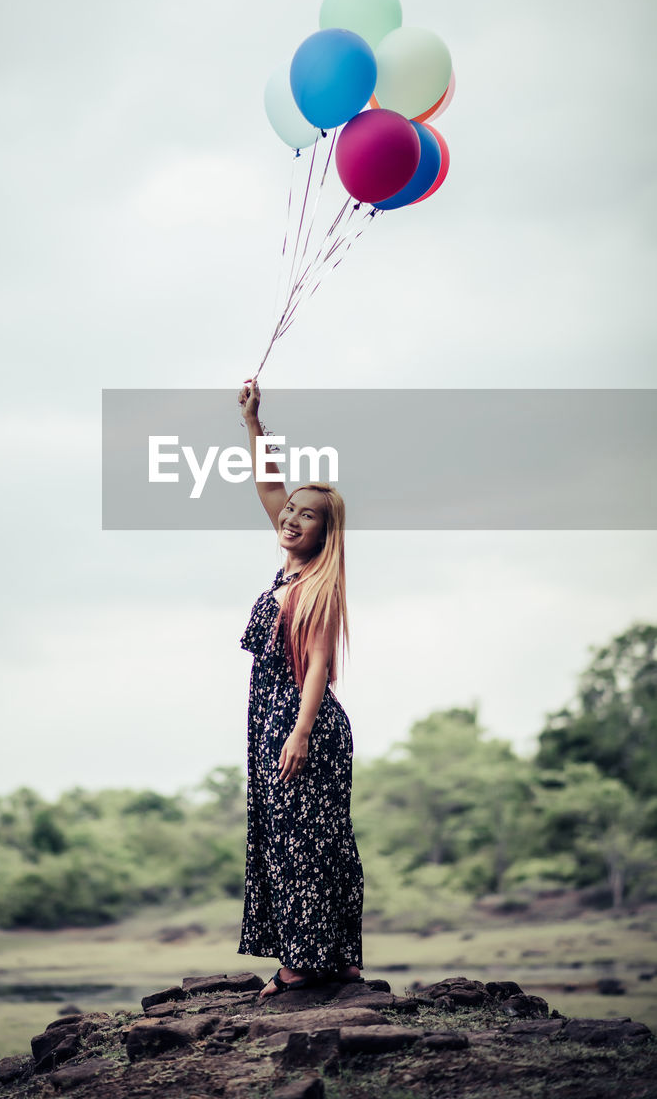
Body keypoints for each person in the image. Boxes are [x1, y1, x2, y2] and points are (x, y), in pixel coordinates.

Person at [237, 380, 364, 999]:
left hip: (300, 723)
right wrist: (253, 422)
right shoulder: (288, 566)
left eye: (306, 514)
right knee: (304, 833)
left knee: (306, 838)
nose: (290, 517)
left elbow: (318, 667)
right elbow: (267, 485)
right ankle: (335, 957)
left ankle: (301, 965)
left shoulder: (317, 583)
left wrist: (300, 732)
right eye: (291, 510)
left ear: (324, 530)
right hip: (275, 722)